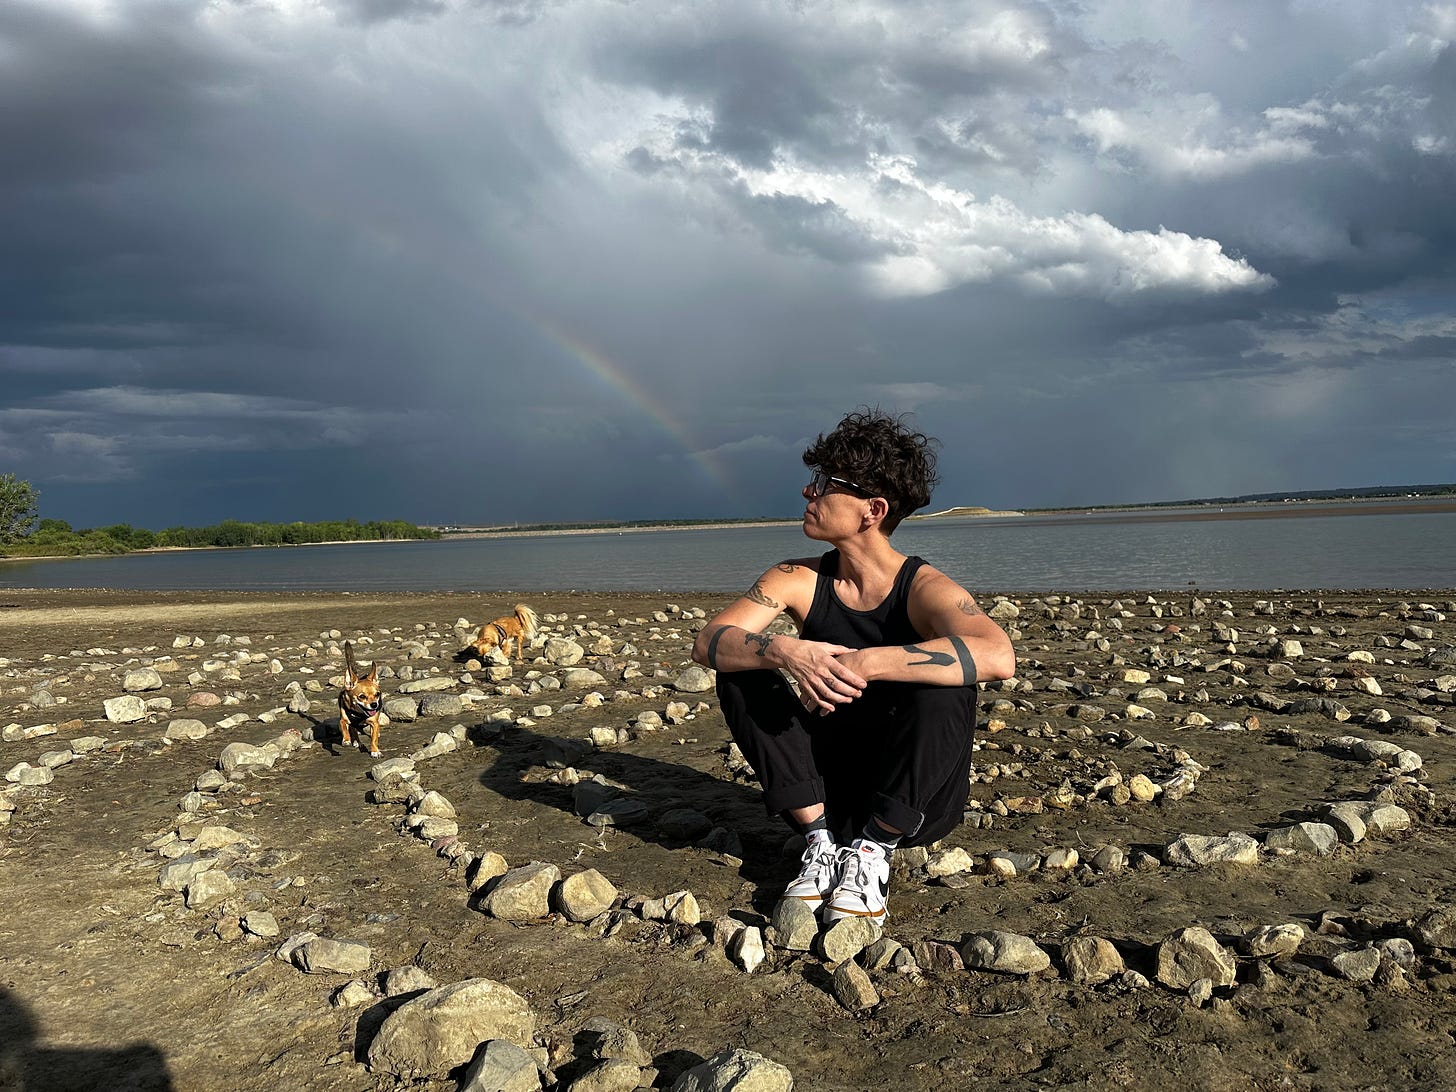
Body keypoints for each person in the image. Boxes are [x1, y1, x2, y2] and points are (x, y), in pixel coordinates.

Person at [692, 409, 1016, 926]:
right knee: (742, 664)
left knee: (950, 675)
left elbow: (999, 656)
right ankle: (820, 847)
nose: (807, 493)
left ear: (873, 509)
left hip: (913, 802)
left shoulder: (924, 587)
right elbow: (708, 640)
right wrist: (785, 651)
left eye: (825, 484)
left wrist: (864, 661)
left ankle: (872, 854)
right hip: (826, 795)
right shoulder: (796, 577)